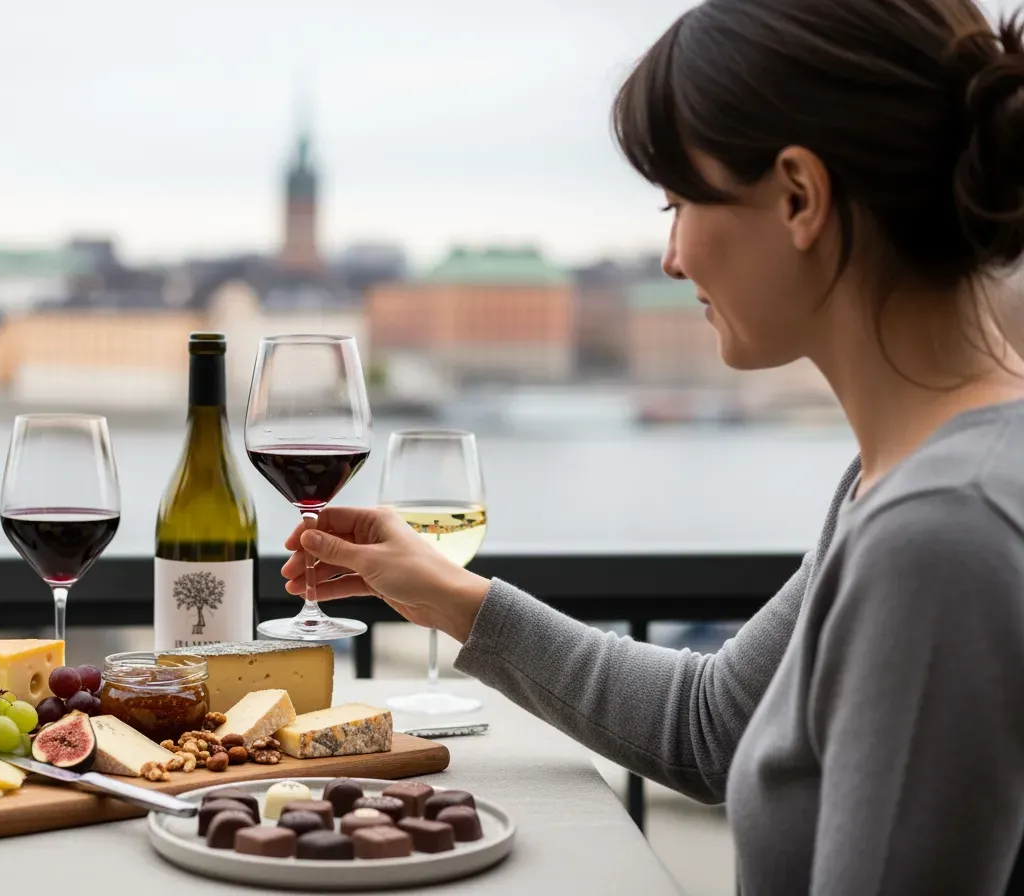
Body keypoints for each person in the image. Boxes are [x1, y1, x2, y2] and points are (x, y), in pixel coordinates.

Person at [281, 1, 1024, 892]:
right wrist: (456, 599)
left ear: (799, 196)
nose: (671, 258)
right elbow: (713, 728)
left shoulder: (938, 532)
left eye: (679, 203)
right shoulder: (910, 477)